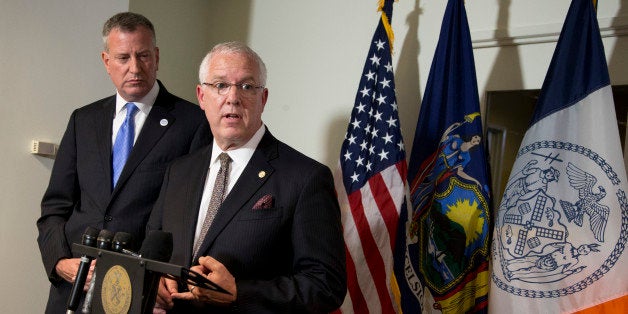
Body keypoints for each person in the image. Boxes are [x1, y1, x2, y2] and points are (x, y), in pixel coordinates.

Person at [146, 41, 346, 313]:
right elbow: (153, 252)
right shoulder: (179, 171)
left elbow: (326, 286)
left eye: (247, 87)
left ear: (263, 99)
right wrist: (155, 278)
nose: (233, 98)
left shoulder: (305, 178)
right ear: (201, 97)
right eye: (220, 85)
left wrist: (239, 293)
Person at [36, 12, 211, 313]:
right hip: (73, 289)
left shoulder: (193, 123)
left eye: (143, 55)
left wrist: (155, 278)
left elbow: (188, 221)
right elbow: (55, 206)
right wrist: (58, 261)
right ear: (106, 62)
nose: (134, 68)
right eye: (122, 57)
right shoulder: (83, 120)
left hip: (140, 292)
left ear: (156, 56)